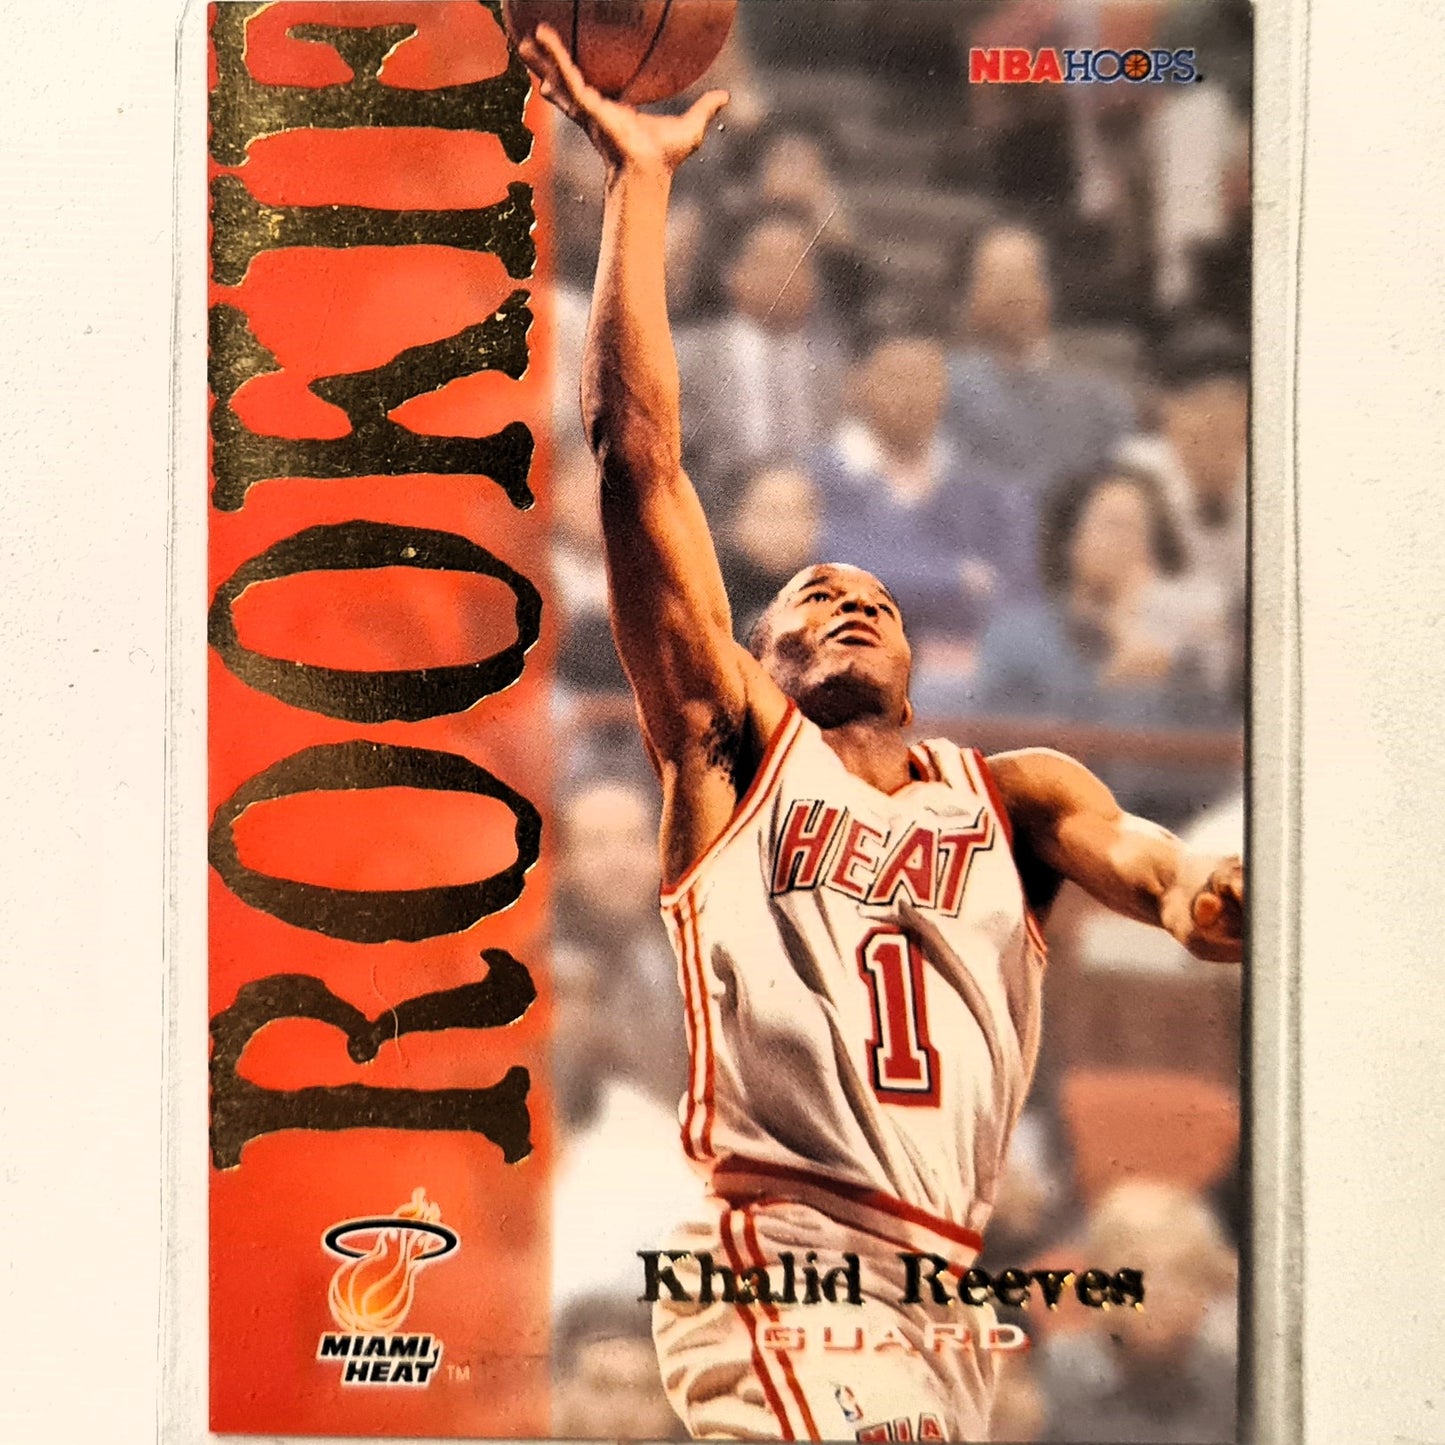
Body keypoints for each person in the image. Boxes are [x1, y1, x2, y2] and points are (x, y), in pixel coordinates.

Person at [519, 27, 1245, 1442]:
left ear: (914, 660)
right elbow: (639, 461)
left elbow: (1155, 867)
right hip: (783, 1260)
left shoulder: (1016, 795)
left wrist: (1205, 896)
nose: (850, 602)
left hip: (938, 1281)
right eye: (812, 597)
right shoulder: (735, 756)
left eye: (875, 600)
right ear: (760, 656)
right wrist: (642, 196)